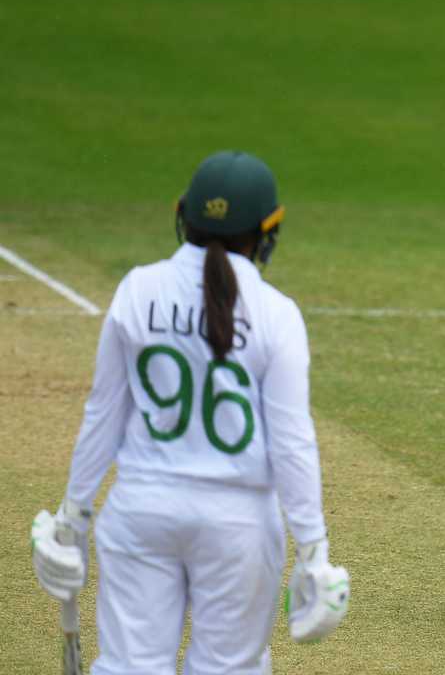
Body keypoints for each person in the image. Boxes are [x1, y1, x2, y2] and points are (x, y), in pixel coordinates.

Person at [30, 151, 350, 673]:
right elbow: (292, 442)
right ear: (267, 232)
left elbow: (103, 414)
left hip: (141, 512)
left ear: (184, 216)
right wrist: (313, 547)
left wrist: (74, 514)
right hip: (239, 527)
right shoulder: (277, 314)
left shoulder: (137, 289)